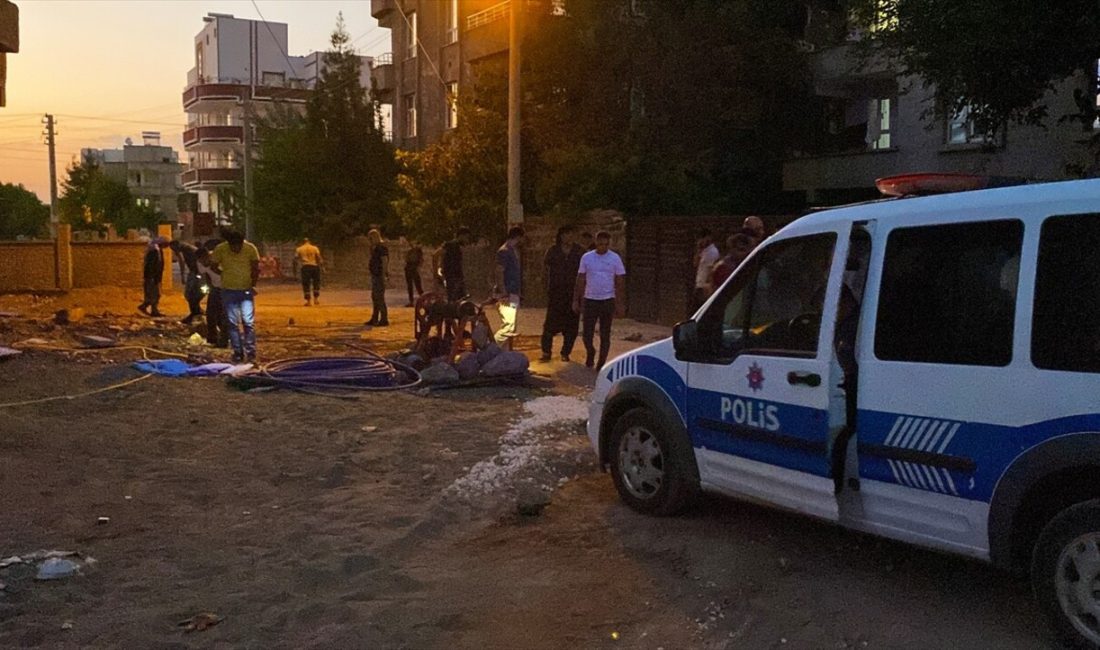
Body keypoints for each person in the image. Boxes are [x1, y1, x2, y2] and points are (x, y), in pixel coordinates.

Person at [573, 231, 626, 370]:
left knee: (605, 333)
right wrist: (576, 300)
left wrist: (620, 303)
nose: (603, 247)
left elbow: (620, 281)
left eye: (606, 244)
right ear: (596, 242)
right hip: (590, 299)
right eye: (601, 244)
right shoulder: (587, 257)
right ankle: (590, 351)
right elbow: (580, 279)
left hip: (607, 299)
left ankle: (601, 362)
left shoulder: (615, 258)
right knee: (587, 334)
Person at [210, 230, 260, 363]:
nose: (235, 248)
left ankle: (250, 352)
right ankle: (238, 352)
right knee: (232, 323)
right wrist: (224, 274)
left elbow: (256, 267)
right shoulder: (221, 249)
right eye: (233, 246)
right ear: (229, 243)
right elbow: (213, 265)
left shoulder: (250, 248)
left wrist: (253, 284)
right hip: (228, 290)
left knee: (248, 322)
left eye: (238, 246)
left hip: (246, 290)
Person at [540, 225, 582, 362]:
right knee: (550, 324)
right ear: (561, 236)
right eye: (566, 234)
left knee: (571, 325)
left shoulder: (579, 252)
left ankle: (565, 352)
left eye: (571, 234)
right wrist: (546, 287)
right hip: (556, 293)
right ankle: (546, 351)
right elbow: (545, 271)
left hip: (573, 294)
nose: (568, 237)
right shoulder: (553, 251)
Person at [493, 226, 525, 350]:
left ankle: (503, 352)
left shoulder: (510, 250)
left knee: (510, 326)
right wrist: (504, 292)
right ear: (518, 237)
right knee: (509, 326)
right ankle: (493, 346)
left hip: (512, 292)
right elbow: (499, 271)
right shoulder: (505, 251)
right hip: (508, 293)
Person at [196, 242, 228, 348]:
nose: (202, 262)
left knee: (223, 315)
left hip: (226, 288)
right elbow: (206, 275)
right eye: (200, 260)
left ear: (208, 256)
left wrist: (214, 267)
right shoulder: (200, 263)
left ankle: (225, 338)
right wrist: (209, 287)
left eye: (204, 259)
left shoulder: (218, 259)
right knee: (210, 313)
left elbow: (225, 273)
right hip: (215, 288)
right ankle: (212, 337)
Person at [169, 240, 204, 324]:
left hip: (198, 274)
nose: (174, 251)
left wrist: (183, 275)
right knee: (191, 295)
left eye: (173, 249)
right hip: (195, 273)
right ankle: (197, 312)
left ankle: (195, 313)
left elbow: (182, 261)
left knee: (192, 295)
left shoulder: (186, 249)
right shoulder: (185, 248)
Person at [434, 226, 471, 302]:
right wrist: (436, 272)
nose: (467, 240)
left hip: (456, 277)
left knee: (459, 299)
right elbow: (436, 255)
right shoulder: (450, 245)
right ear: (461, 236)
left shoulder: (456, 247)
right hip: (452, 277)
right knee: (455, 300)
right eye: (466, 237)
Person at [137, 237, 168, 317]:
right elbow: (151, 265)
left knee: (153, 294)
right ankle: (152, 310)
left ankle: (147, 307)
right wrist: (151, 277)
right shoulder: (154, 251)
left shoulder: (157, 250)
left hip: (155, 277)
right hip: (152, 277)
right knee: (155, 294)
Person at [692, 228, 720, 314]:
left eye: (702, 238)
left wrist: (708, 288)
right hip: (699, 284)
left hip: (704, 287)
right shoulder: (703, 251)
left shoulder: (712, 252)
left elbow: (711, 271)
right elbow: (695, 264)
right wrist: (698, 250)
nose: (701, 241)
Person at [366, 229, 390, 327]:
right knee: (375, 297)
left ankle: (384, 319)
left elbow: (384, 261)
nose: (370, 241)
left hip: (379, 275)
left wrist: (384, 274)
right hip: (376, 274)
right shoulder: (376, 247)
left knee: (379, 297)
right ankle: (375, 317)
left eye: (371, 239)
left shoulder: (382, 247)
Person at [295, 237, 323, 306]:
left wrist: (297, 267)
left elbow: (295, 258)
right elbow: (319, 258)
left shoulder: (299, 249)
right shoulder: (315, 248)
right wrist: (322, 266)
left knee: (306, 284)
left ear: (302, 242)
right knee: (316, 282)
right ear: (309, 241)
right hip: (314, 266)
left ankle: (308, 301)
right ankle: (316, 299)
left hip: (305, 266)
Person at [404, 240, 424, 307]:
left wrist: (418, 267)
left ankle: (423, 300)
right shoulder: (411, 251)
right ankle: (411, 301)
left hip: (414, 268)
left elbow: (420, 260)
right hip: (409, 267)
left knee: (418, 285)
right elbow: (406, 259)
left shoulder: (418, 251)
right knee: (410, 286)